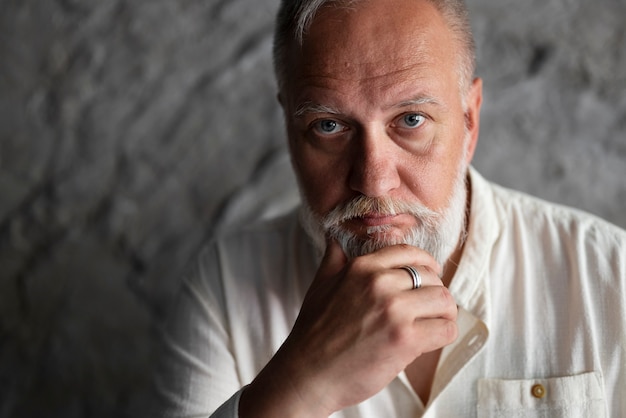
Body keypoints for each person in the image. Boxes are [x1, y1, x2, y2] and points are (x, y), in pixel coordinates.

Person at [152, 0, 626, 416]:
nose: (374, 179)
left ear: (469, 121)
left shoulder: (611, 276)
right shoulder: (223, 288)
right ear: (289, 129)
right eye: (329, 126)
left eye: (411, 120)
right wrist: (302, 387)